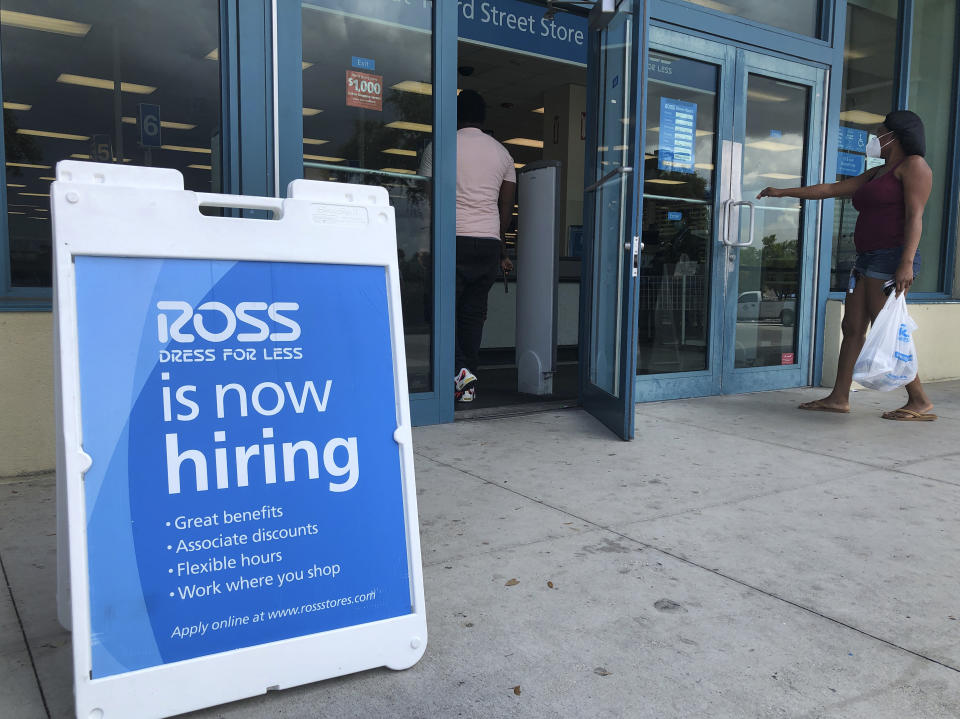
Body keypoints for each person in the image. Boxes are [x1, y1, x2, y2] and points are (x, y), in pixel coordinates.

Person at [757, 109, 936, 421]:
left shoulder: (914, 167)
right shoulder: (877, 172)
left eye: (879, 132)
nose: (876, 138)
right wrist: (783, 192)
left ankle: (919, 400)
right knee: (852, 327)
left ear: (894, 135)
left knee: (888, 331)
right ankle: (839, 397)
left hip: (891, 258)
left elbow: (915, 217)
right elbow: (830, 190)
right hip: (866, 259)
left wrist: (906, 263)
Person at [422, 89, 516, 403]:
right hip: (487, 241)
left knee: (443, 310)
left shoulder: (440, 147)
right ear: (483, 117)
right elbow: (507, 207)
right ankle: (467, 384)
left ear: (456, 114)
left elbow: (428, 199)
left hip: (453, 239)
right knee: (473, 314)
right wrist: (500, 244)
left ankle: (460, 369)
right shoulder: (502, 154)